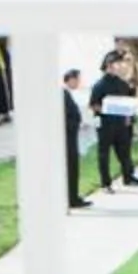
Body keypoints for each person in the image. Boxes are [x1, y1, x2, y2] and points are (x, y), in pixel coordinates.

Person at [91, 52, 138, 192]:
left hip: (122, 124)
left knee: (125, 152)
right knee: (104, 154)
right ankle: (106, 184)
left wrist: (128, 116)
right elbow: (94, 104)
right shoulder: (99, 85)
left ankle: (128, 177)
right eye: (117, 64)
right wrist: (107, 109)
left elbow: (129, 101)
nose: (120, 66)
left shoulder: (123, 84)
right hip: (106, 124)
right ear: (108, 66)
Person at [60, 69, 90, 210]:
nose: (79, 83)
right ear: (70, 79)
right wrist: (75, 124)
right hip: (67, 137)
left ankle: (73, 196)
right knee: (70, 167)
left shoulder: (67, 94)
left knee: (73, 167)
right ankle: (71, 198)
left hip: (72, 135)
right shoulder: (62, 94)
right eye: (77, 79)